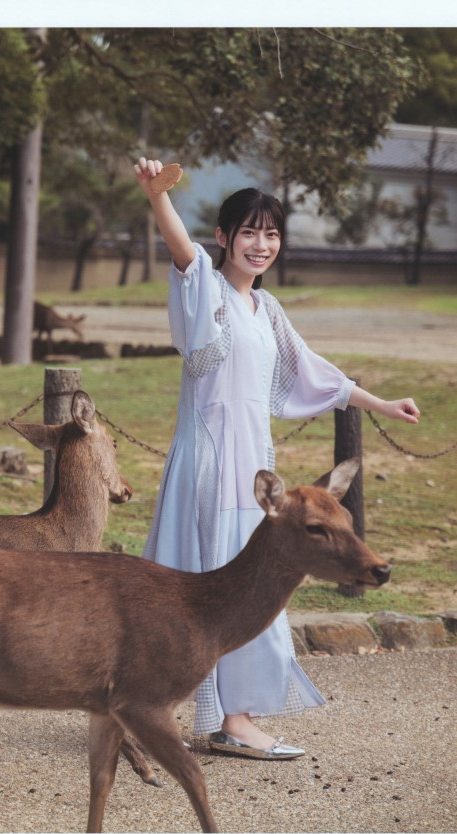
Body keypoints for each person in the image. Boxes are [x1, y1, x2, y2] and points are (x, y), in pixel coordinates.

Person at [132, 156, 421, 760]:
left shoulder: (269, 311)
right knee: (198, 584)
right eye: (248, 232)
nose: (261, 244)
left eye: (271, 234)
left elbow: (315, 374)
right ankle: (154, 711)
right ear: (224, 238)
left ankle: (232, 718)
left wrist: (383, 404)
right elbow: (182, 251)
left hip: (257, 469)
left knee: (252, 589)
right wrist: (158, 197)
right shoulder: (206, 289)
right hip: (210, 465)